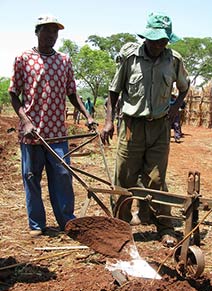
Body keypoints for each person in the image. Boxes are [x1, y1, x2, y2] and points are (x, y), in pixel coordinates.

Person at [101, 12, 190, 247]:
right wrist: (109, 121)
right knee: (124, 178)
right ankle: (120, 228)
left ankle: (165, 227)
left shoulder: (174, 60)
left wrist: (175, 109)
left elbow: (184, 87)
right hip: (131, 126)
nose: (160, 45)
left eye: (164, 41)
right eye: (156, 40)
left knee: (157, 179)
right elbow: (114, 91)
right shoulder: (130, 58)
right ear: (146, 37)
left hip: (160, 127)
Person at [8, 14, 96, 235]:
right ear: (37, 32)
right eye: (47, 31)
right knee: (31, 178)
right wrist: (25, 121)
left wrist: (88, 116)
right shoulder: (23, 58)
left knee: (63, 177)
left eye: (55, 32)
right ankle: (37, 225)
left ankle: (67, 221)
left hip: (58, 134)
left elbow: (72, 93)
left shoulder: (64, 61)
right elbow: (13, 93)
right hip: (32, 134)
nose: (51, 36)